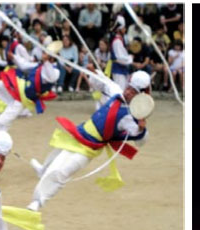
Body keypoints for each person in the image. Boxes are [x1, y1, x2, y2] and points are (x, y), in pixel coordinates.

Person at [25, 71, 152, 211]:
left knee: (61, 172)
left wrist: (141, 129)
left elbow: (140, 139)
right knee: (55, 154)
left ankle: (37, 201)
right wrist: (92, 73)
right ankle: (42, 170)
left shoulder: (130, 117)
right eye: (128, 87)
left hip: (90, 147)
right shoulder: (116, 92)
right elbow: (101, 82)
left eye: (133, 92)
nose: (127, 92)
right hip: (80, 132)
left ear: (140, 96)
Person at [0, 41, 60, 133]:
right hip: (21, 89)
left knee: (11, 112)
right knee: (3, 85)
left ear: (52, 58)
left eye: (46, 54)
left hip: (25, 97)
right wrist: (14, 57)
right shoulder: (39, 65)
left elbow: (51, 77)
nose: (43, 55)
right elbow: (24, 65)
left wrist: (46, 61)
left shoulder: (55, 71)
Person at [108, 15, 132, 90]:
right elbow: (120, 57)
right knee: (120, 92)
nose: (125, 30)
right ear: (119, 29)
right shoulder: (117, 41)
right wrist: (130, 58)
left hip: (121, 69)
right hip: (118, 69)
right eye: (124, 28)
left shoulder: (119, 40)